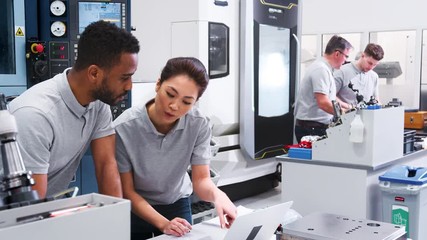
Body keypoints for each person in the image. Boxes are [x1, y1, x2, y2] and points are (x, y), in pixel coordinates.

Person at [7, 20, 140, 198]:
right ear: (94, 73)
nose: (129, 86)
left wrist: (116, 219)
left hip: (43, 209)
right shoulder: (35, 116)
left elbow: (106, 165)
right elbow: (29, 207)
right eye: (124, 78)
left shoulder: (98, 103)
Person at [113, 57, 237, 239]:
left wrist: (219, 196)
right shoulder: (124, 128)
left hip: (176, 205)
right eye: (170, 94)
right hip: (135, 210)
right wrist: (163, 223)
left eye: (186, 102)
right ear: (158, 85)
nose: (174, 106)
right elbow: (127, 191)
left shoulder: (198, 124)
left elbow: (201, 180)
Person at [294, 35, 353, 143]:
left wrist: (348, 106)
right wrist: (347, 116)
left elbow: (329, 96)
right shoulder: (321, 70)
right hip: (312, 128)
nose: (345, 61)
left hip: (315, 126)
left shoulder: (324, 68)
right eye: (346, 56)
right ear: (337, 54)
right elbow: (323, 103)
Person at [334, 43, 384, 108]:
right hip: (345, 116)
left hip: (367, 116)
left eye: (375, 65)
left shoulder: (374, 76)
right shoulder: (341, 72)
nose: (371, 67)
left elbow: (376, 100)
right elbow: (330, 96)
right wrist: (348, 107)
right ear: (363, 55)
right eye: (369, 63)